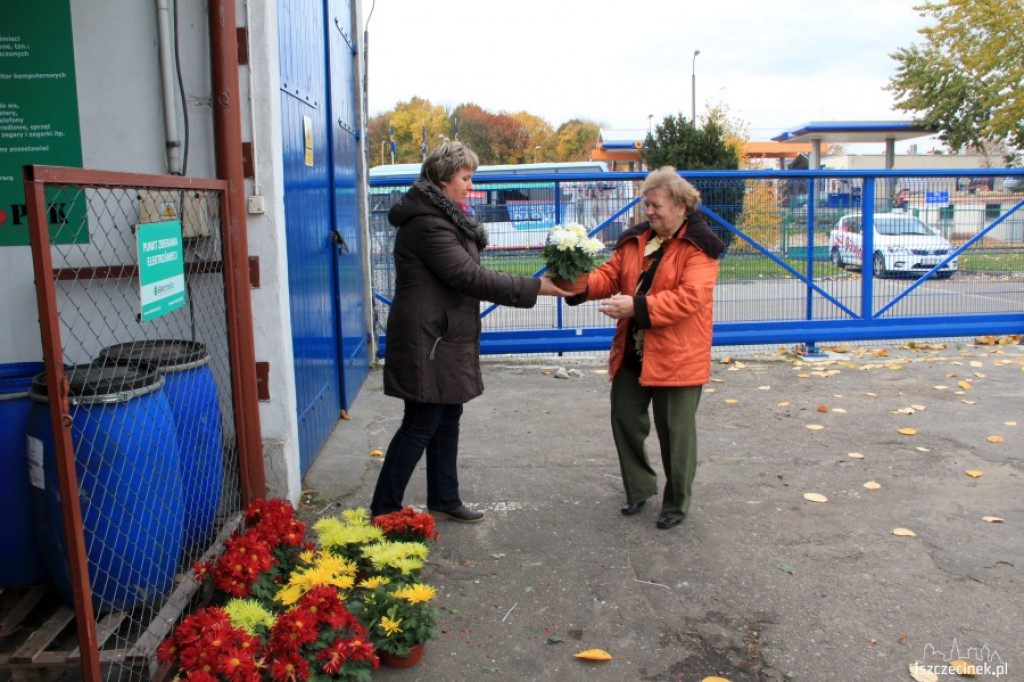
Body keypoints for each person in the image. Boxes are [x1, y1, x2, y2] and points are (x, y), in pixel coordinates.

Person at [370, 141, 569, 523]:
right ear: (443, 180)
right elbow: (467, 276)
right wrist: (535, 286)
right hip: (428, 338)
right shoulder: (429, 223)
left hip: (442, 334)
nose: (470, 185)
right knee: (421, 423)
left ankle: (444, 497)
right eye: (465, 177)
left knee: (447, 415)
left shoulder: (446, 217)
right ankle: (385, 508)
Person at [569, 166, 724, 529]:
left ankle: (676, 504)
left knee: (676, 435)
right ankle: (639, 489)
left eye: (655, 206)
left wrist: (636, 307)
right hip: (634, 353)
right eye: (646, 205)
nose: (648, 212)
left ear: (681, 206)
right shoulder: (637, 239)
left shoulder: (701, 246)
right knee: (624, 418)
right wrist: (576, 284)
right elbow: (609, 276)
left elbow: (691, 298)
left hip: (678, 357)